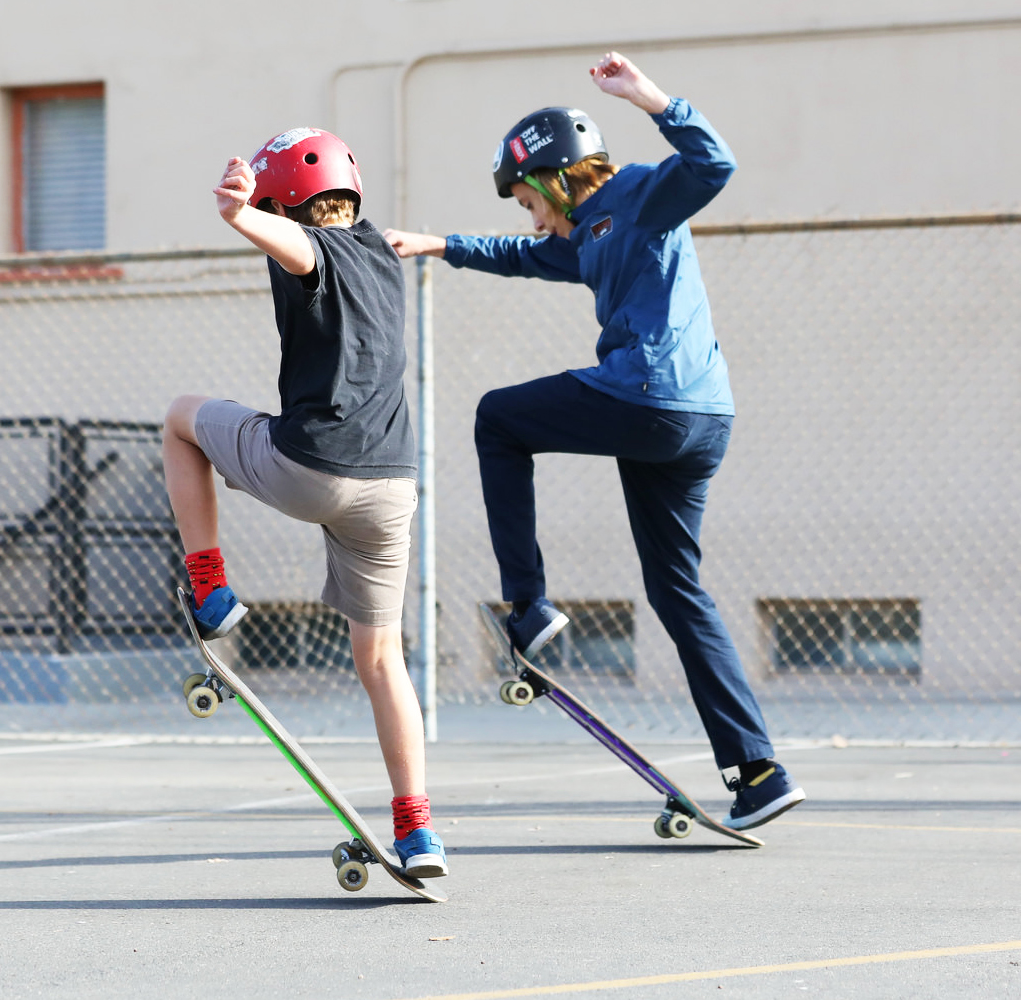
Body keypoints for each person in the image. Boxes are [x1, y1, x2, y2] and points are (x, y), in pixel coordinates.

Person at [384, 53, 804, 831]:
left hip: (650, 397)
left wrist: (650, 98)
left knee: (496, 419)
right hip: (696, 420)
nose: (528, 218)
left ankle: (529, 607)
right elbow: (518, 257)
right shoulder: (588, 235)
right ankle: (757, 770)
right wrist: (437, 244)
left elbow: (713, 164)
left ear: (548, 178)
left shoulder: (640, 194)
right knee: (677, 590)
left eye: (525, 201)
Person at [162, 127, 446, 875]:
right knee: (382, 660)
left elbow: (303, 250)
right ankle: (417, 829)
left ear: (284, 203)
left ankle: (210, 589)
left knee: (181, 418)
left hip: (311, 468)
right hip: (391, 489)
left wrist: (237, 214)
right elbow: (329, 241)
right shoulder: (385, 255)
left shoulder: (306, 246)